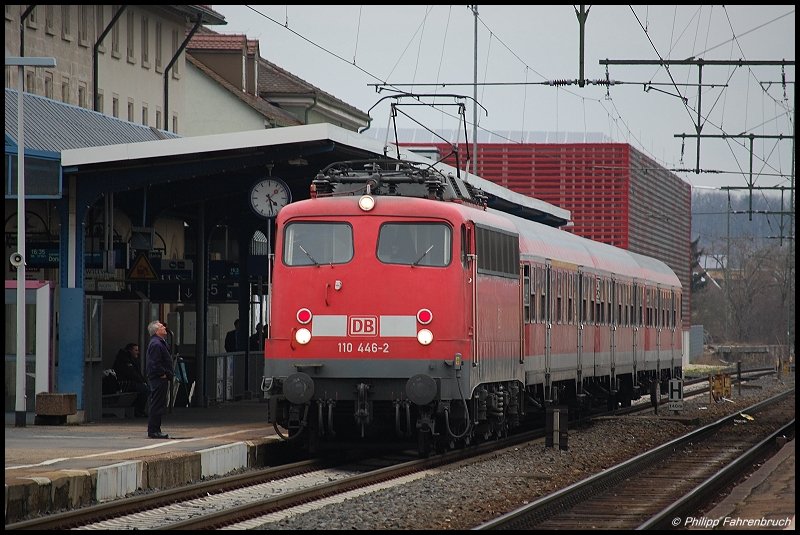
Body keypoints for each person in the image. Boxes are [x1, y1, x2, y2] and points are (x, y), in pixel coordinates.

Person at [145, 320, 173, 439]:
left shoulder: (160, 342)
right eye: (162, 327)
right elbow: (154, 362)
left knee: (159, 404)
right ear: (156, 331)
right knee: (156, 404)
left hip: (161, 378)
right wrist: (162, 374)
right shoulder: (156, 344)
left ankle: (156, 428)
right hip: (158, 378)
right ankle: (154, 430)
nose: (164, 328)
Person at [112, 342, 149, 417]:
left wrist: (143, 381)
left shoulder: (130, 359)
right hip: (123, 383)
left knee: (145, 388)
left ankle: (137, 409)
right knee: (145, 389)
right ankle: (138, 410)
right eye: (135, 350)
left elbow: (136, 374)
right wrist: (143, 382)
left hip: (129, 382)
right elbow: (132, 374)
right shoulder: (125, 360)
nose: (138, 352)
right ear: (130, 350)